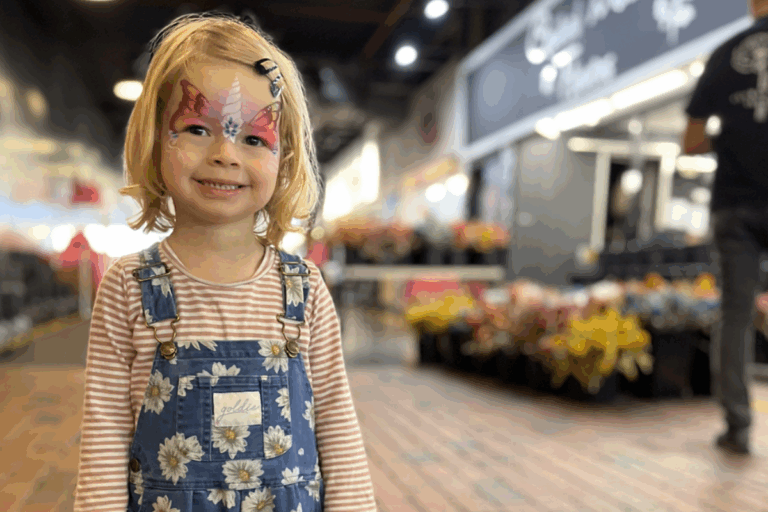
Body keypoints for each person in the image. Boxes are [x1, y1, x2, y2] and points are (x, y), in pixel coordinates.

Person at [74, 12, 377, 511]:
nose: (225, 154)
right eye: (196, 128)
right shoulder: (128, 286)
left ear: (287, 158)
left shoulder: (305, 290)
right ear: (154, 139)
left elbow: (338, 428)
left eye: (254, 139)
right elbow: (104, 439)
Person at [683, 0, 768, 455]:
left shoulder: (724, 52)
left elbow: (692, 140)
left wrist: (732, 138)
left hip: (734, 204)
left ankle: (738, 427)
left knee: (735, 317)